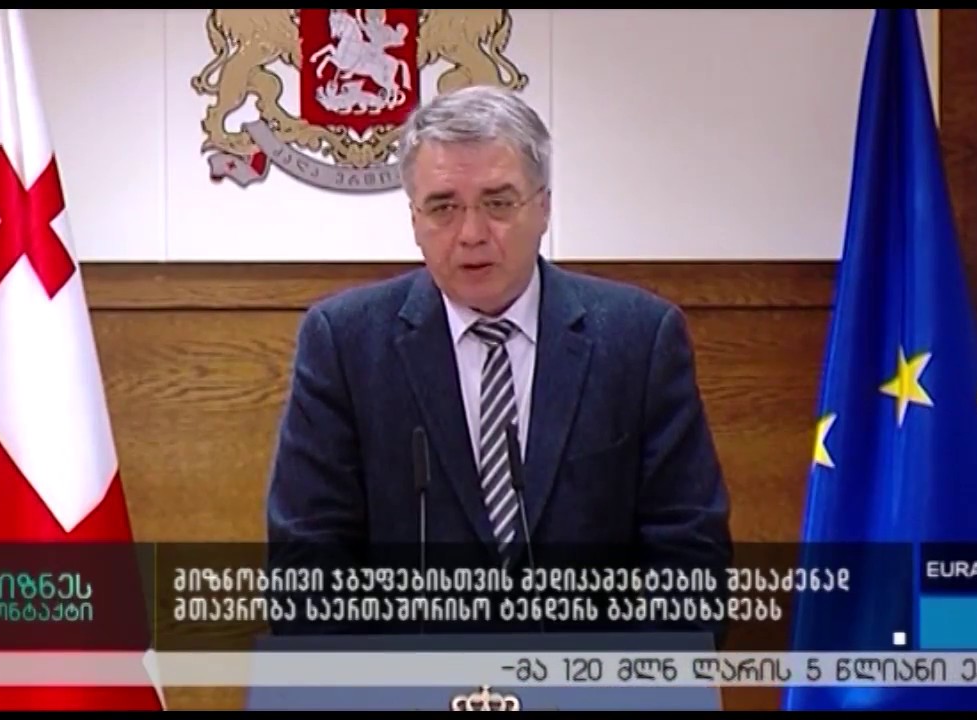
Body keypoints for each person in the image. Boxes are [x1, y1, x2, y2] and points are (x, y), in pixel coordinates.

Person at [265, 85, 731, 637]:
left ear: (544, 207)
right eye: (443, 207)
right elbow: (308, 563)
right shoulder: (345, 344)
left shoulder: (639, 339)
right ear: (414, 219)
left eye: (498, 203)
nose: (472, 234)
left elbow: (688, 552)